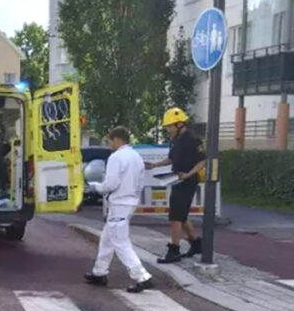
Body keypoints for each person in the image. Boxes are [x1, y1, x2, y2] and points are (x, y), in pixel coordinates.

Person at [84, 127, 154, 293]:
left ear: (116, 139)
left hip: (119, 203)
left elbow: (110, 184)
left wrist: (95, 187)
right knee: (107, 239)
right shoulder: (136, 157)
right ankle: (99, 272)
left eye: (109, 141)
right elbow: (140, 182)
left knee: (120, 241)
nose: (109, 145)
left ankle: (142, 276)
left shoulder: (116, 157)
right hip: (130, 202)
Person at [145, 108, 206, 264]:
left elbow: (203, 161)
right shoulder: (177, 140)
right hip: (178, 180)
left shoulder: (192, 139)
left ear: (179, 124)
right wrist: (155, 165)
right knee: (182, 216)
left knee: (174, 218)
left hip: (187, 181)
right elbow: (172, 159)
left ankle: (174, 250)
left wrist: (188, 174)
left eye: (169, 126)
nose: (167, 130)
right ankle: (197, 244)